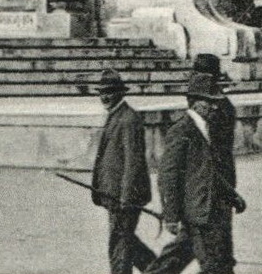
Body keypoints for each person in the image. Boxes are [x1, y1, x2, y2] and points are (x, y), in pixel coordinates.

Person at [150, 72, 246, 274]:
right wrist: (171, 216)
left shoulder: (205, 128)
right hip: (198, 213)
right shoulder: (181, 130)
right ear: (195, 103)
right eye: (210, 102)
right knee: (215, 266)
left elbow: (208, 172)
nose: (214, 107)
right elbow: (168, 176)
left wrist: (232, 196)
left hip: (205, 210)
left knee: (178, 258)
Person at [91, 69, 155, 274]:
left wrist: (126, 199)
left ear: (120, 93)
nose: (104, 97)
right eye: (102, 92)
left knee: (119, 248)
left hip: (125, 198)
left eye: (109, 92)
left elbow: (132, 163)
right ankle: (160, 270)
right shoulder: (116, 115)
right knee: (126, 243)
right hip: (114, 196)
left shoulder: (128, 119)